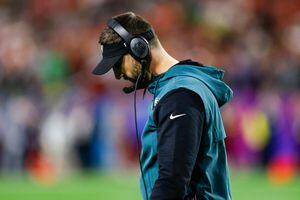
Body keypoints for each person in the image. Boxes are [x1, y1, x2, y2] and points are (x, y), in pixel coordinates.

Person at [92, 12, 233, 200]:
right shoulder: (181, 88)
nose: (118, 75)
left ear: (138, 48)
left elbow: (172, 182)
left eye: (118, 64)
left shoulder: (180, 96)